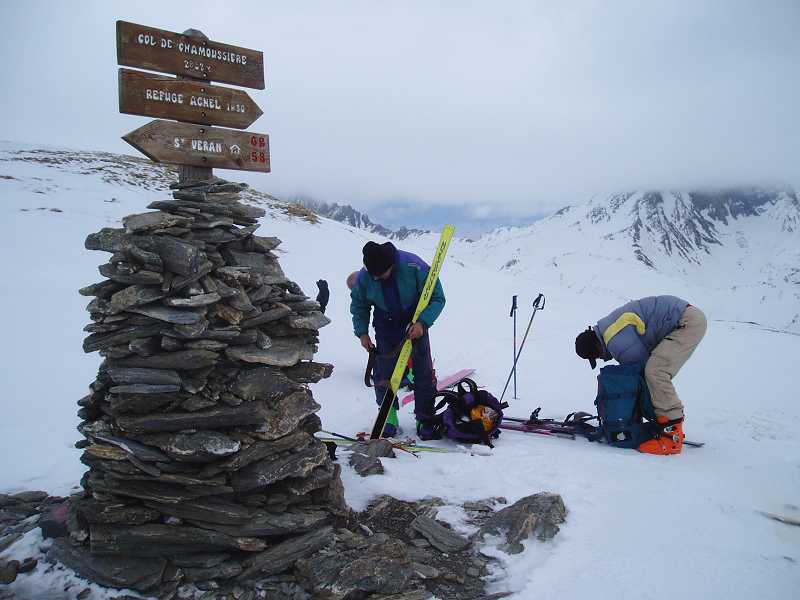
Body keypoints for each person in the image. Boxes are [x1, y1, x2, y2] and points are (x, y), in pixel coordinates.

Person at [574, 295, 707, 455]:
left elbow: (641, 375)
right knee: (654, 371)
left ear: (596, 346)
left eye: (597, 356)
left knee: (655, 372)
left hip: (686, 322)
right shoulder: (608, 328)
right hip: (683, 317)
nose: (601, 358)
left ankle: (672, 435)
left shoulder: (615, 340)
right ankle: (667, 423)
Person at [350, 241, 445, 439]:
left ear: (391, 265)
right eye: (373, 274)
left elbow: (437, 298)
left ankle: (424, 418)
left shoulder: (414, 266)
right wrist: (362, 332)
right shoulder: (366, 276)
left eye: (380, 274)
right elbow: (360, 305)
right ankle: (389, 417)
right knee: (384, 373)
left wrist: (422, 323)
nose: (376, 278)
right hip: (386, 325)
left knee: (423, 373)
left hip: (415, 321)